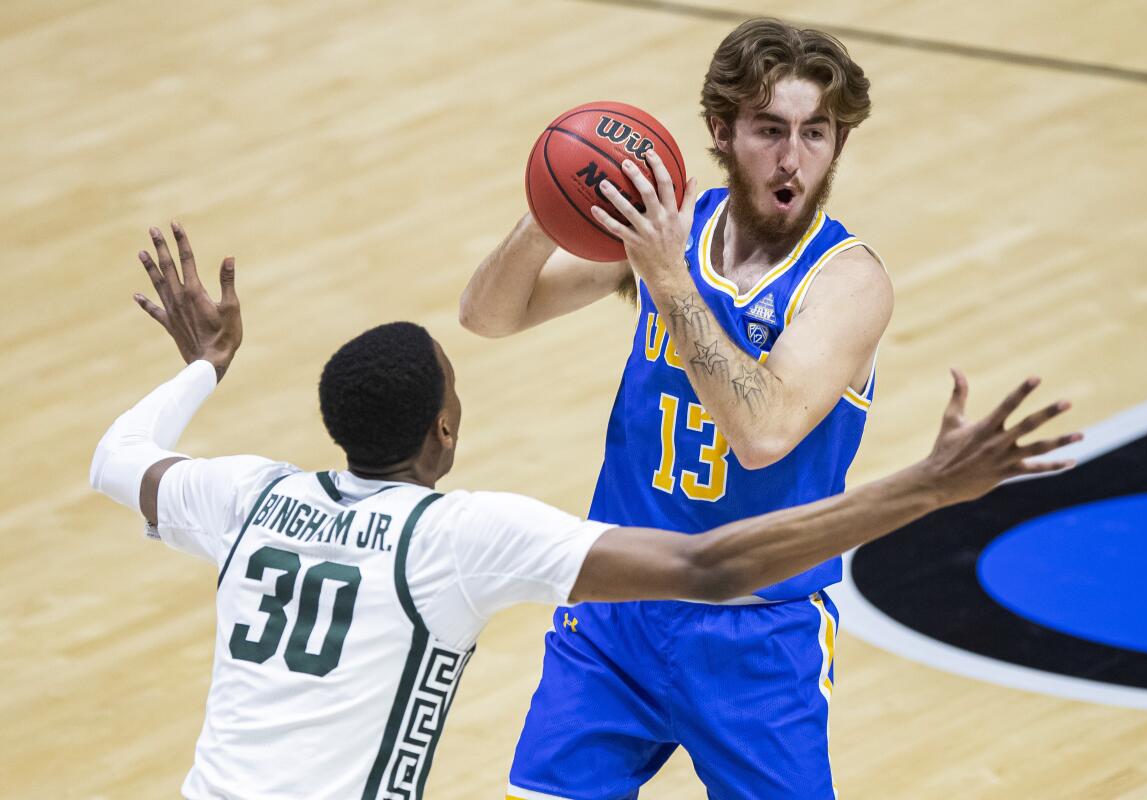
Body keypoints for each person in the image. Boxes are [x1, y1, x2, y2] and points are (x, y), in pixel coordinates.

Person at [90, 224, 1075, 799]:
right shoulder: (462, 536)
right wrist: (928, 486)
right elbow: (710, 569)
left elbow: (117, 457)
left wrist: (200, 367)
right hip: (657, 627)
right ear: (446, 431)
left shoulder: (245, 494)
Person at [458, 17, 1031, 800]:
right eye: (769, 130)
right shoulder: (673, 230)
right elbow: (489, 315)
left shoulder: (847, 283)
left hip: (755, 637)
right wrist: (555, 205)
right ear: (722, 134)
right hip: (618, 608)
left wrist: (666, 280)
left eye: (816, 133)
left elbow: (763, 432)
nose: (793, 157)